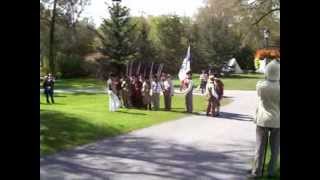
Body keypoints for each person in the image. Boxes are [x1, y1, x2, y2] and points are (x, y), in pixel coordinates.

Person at [248, 60, 280, 179]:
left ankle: (257, 172)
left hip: (262, 120)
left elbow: (260, 87)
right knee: (275, 149)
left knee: (260, 148)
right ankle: (271, 172)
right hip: (277, 120)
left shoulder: (261, 86)